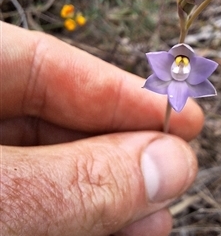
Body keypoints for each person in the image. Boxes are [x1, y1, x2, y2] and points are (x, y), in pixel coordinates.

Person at [0, 21, 204, 236]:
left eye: (184, 63)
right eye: (177, 62)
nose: (180, 66)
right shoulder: (161, 71)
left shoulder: (183, 83)